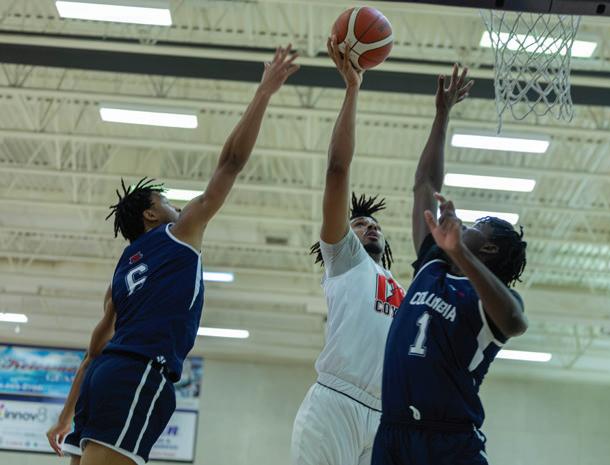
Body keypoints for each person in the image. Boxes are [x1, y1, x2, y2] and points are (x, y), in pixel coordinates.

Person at [45, 45, 300, 465]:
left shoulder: (120, 273)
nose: (176, 206)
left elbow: (93, 352)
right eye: (165, 201)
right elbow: (230, 163)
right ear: (150, 215)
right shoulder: (178, 234)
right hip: (139, 374)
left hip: (103, 378)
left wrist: (65, 416)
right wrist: (263, 93)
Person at [372, 65, 528, 465]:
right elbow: (424, 184)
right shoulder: (432, 266)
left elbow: (515, 322)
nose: (463, 226)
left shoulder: (492, 301)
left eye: (474, 227)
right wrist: (442, 115)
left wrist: (460, 252)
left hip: (449, 442)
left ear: (488, 249)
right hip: (394, 434)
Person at [290, 36, 405, 465]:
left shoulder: (403, 289)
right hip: (335, 403)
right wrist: (353, 90)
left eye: (375, 225)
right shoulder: (345, 260)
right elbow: (338, 170)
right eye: (359, 224)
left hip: (387, 415)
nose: (370, 226)